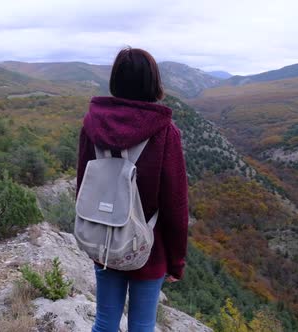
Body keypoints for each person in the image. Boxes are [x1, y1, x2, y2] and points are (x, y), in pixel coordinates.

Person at [76, 47, 189, 332]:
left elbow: (84, 185)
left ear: (116, 80)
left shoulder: (91, 125)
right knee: (141, 325)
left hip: (106, 241)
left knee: (104, 322)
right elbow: (176, 204)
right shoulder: (165, 132)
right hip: (148, 246)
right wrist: (176, 262)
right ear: (153, 83)